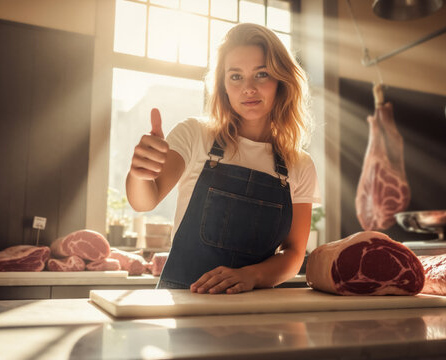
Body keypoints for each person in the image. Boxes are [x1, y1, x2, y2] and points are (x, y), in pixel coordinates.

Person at [126, 23, 320, 294]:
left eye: (261, 74)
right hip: (184, 304)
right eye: (236, 76)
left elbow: (294, 253)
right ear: (223, 86)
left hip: (255, 313)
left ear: (281, 81)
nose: (249, 88)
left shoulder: (299, 165)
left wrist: (251, 276)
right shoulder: (195, 134)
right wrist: (140, 173)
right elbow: (145, 200)